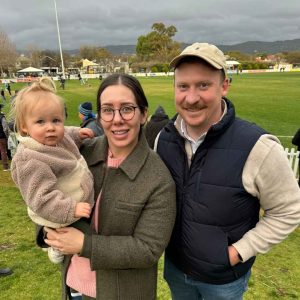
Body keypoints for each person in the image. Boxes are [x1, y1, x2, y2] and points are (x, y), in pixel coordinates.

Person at [155, 42, 300, 300]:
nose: (191, 97)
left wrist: (238, 251)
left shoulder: (257, 147)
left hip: (223, 282)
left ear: (224, 86)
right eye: (183, 86)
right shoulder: (163, 139)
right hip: (176, 271)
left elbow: (289, 210)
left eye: (203, 85)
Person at [39, 73, 176, 299]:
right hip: (73, 286)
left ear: (143, 114)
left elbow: (148, 249)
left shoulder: (158, 178)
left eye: (127, 108)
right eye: (108, 110)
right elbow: (44, 194)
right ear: (100, 116)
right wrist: (46, 230)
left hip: (122, 293)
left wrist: (85, 245)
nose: (117, 119)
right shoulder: (80, 154)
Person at [10, 77, 95, 264]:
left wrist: (77, 134)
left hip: (76, 203)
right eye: (40, 122)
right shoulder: (31, 159)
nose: (50, 128)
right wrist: (71, 209)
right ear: (24, 126)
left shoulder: (55, 137)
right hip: (60, 215)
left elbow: (65, 133)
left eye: (56, 120)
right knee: (90, 237)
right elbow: (41, 198)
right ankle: (55, 245)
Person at [0, 103, 10, 171]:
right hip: (2, 136)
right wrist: (7, 136)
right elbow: (5, 128)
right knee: (4, 151)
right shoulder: (1, 116)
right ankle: (6, 167)